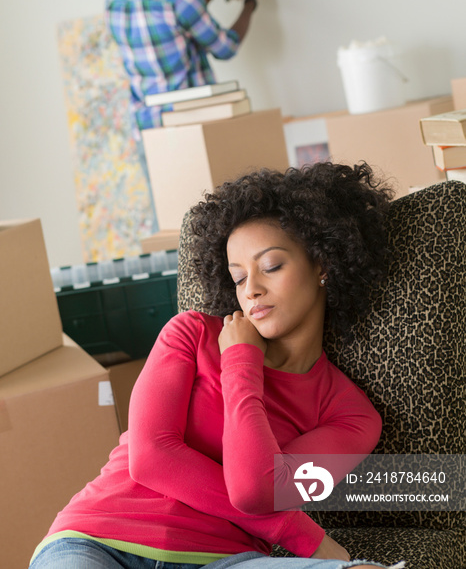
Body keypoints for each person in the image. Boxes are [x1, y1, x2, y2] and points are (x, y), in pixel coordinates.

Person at [29, 162, 405, 569]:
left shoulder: (350, 414)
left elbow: (256, 491)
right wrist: (298, 534)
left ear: (323, 264)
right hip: (99, 539)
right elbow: (151, 456)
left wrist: (241, 365)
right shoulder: (190, 333)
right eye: (239, 277)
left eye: (272, 266)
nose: (253, 290)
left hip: (222, 560)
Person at [105, 0, 264, 232]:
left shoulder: (114, 0)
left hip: (150, 130)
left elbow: (166, 33)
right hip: (195, 126)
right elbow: (225, 46)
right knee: (218, 230)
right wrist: (251, 0)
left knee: (177, 230)